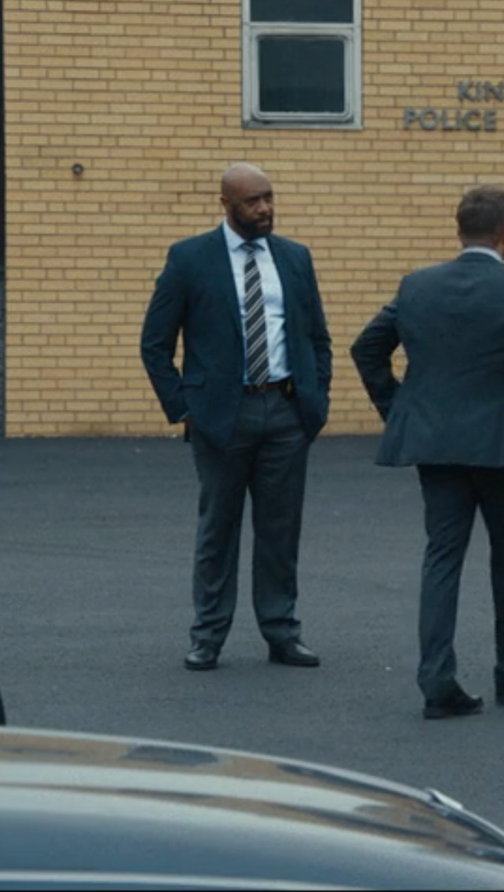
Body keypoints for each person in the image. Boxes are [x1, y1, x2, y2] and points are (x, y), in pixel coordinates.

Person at [351, 185, 504, 720]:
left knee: (442, 557)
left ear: (460, 231)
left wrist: (398, 407)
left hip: (437, 443)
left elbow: (367, 347)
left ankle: (437, 680)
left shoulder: (417, 285)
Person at [140, 162, 332, 672]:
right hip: (221, 416)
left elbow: (317, 336)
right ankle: (207, 636)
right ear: (226, 204)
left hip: (285, 411)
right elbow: (155, 343)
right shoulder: (189, 259)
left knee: (280, 531)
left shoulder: (294, 257)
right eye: (253, 201)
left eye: (269, 197)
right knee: (217, 531)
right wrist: (184, 409)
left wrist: (315, 402)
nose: (265, 209)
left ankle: (282, 632)